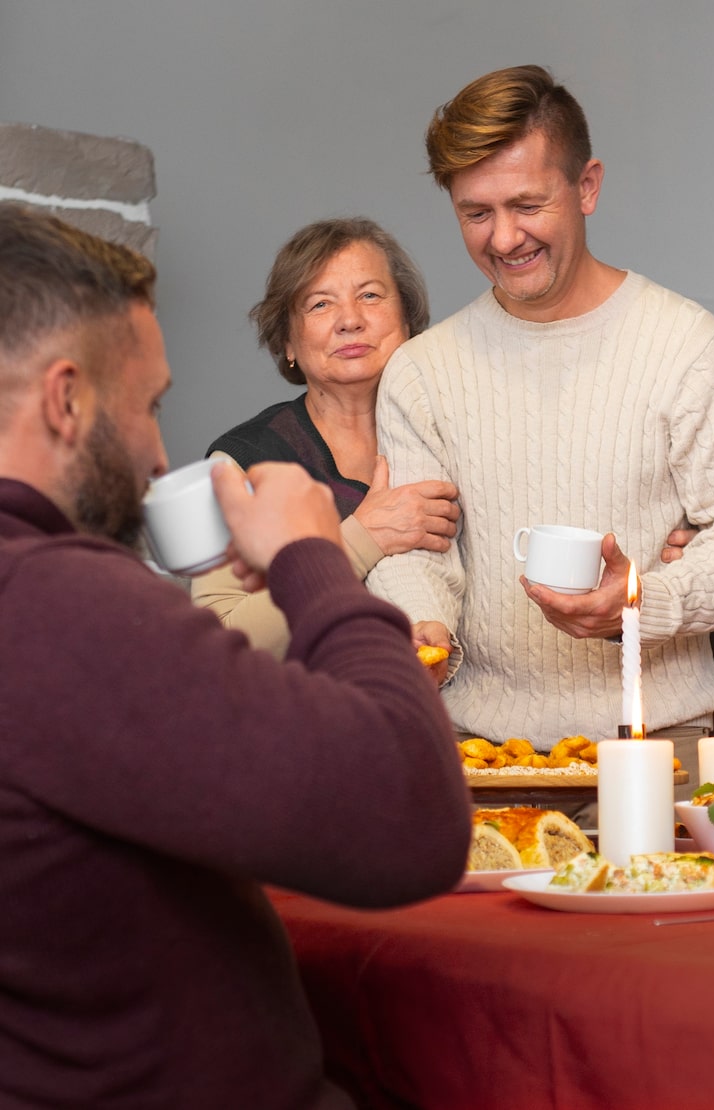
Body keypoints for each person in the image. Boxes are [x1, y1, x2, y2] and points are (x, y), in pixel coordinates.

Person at [0, 203, 471, 1108]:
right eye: (147, 405)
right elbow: (410, 819)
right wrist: (317, 559)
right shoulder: (56, 606)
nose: (158, 453)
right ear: (65, 401)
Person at [366, 64, 714, 777]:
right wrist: (424, 631)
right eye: (476, 213)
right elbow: (418, 549)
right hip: (477, 752)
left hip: (664, 745)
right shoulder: (422, 370)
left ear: (587, 186)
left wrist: (642, 602)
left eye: (527, 205)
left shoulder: (685, 345)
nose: (504, 239)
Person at [191, 217, 460, 661]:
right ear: (289, 342)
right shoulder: (242, 464)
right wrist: (362, 538)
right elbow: (219, 643)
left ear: (408, 318)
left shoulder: (454, 436)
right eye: (319, 305)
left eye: (370, 296)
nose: (350, 321)